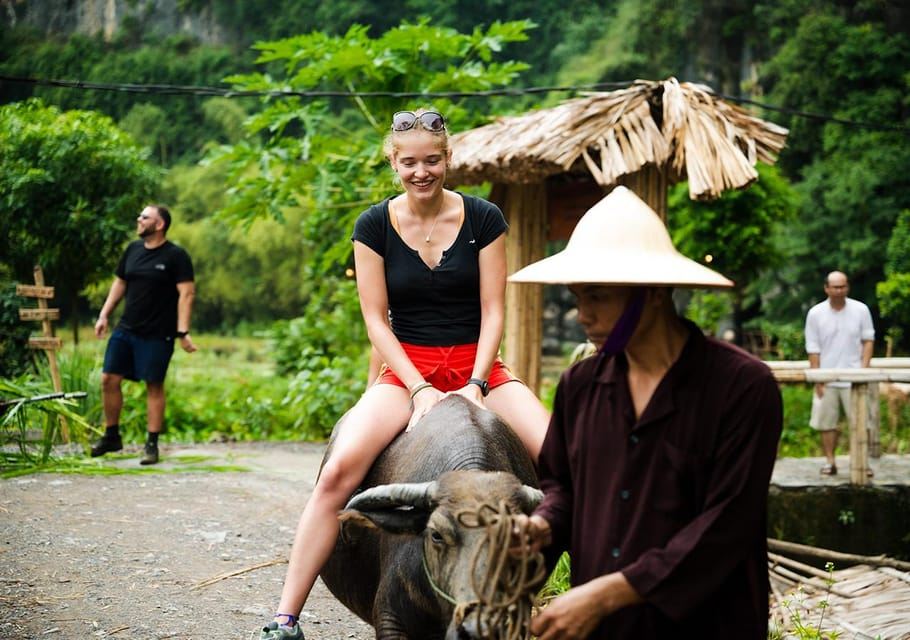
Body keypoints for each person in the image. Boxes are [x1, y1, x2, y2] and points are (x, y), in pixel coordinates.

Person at [259, 109, 550, 640]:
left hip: (478, 365)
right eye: (410, 162)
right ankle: (285, 616)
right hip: (405, 369)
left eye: (433, 160)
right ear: (393, 163)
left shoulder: (485, 218)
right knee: (337, 474)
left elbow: (495, 311)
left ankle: (595, 604)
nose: (422, 172)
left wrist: (477, 384)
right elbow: (375, 318)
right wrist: (416, 388)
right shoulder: (372, 225)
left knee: (568, 460)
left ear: (448, 159)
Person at [509, 186, 783, 639]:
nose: (582, 315)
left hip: (709, 626)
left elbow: (727, 524)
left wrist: (607, 593)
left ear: (653, 293)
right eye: (578, 297)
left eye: (597, 296)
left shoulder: (741, 388)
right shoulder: (580, 387)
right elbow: (562, 486)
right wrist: (543, 525)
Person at [91, 204, 196, 465]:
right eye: (140, 216)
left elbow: (187, 294)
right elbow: (120, 283)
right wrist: (104, 314)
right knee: (108, 379)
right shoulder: (133, 250)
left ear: (159, 225)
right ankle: (112, 435)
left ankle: (151, 444)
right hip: (126, 329)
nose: (139, 219)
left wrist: (183, 331)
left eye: (145, 217)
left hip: (158, 334)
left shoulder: (176, 256)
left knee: (154, 385)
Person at [804, 270, 875, 475]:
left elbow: (868, 339)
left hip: (855, 376)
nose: (839, 290)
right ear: (826, 288)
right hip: (826, 376)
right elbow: (813, 347)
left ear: (848, 287)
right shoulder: (816, 313)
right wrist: (817, 378)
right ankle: (830, 461)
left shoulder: (860, 310)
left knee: (861, 422)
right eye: (835, 286)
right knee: (827, 423)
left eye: (842, 286)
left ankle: (863, 462)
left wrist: (864, 370)